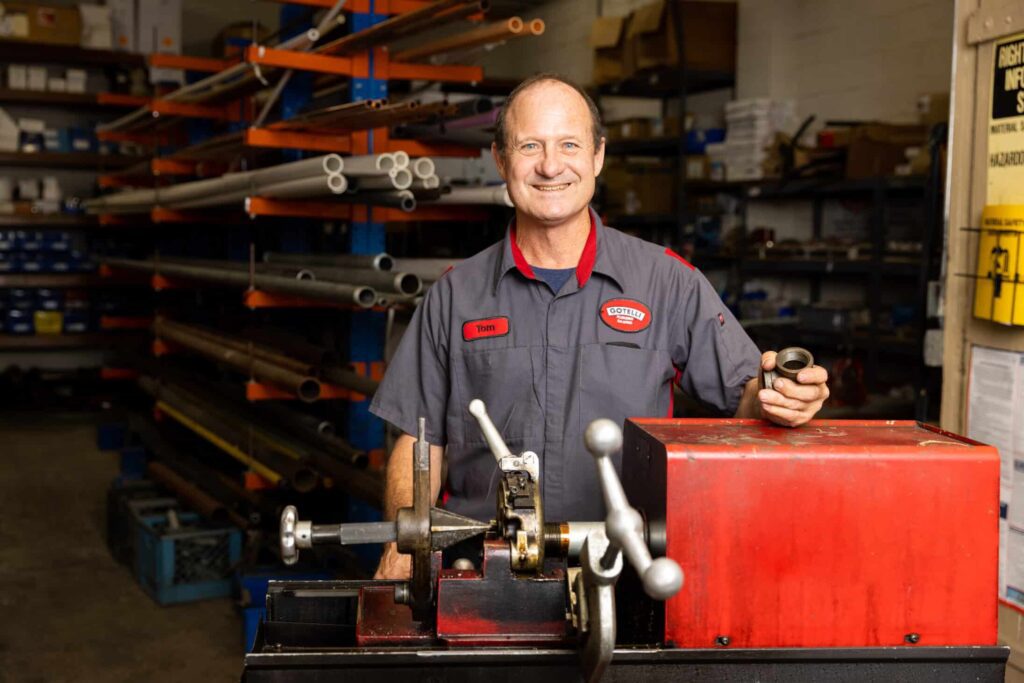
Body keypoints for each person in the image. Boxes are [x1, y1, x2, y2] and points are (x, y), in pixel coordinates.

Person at [369, 73, 829, 579]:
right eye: (529, 146)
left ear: (597, 157)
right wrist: (403, 540)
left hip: (626, 569)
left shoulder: (666, 281)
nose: (550, 166)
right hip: (482, 574)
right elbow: (420, 439)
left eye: (569, 144)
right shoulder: (455, 295)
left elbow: (743, 395)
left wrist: (780, 397)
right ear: (501, 161)